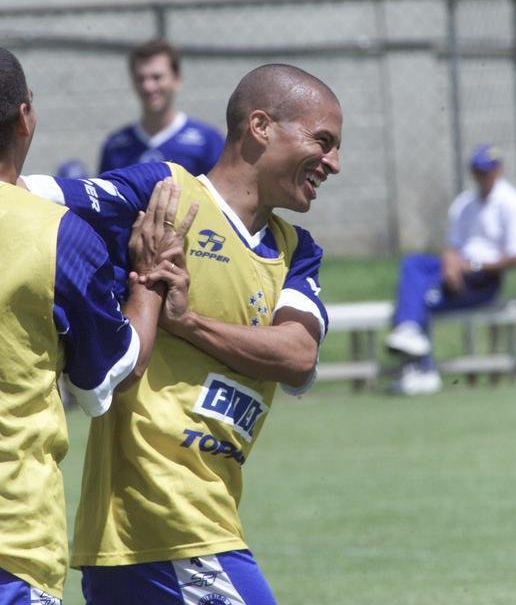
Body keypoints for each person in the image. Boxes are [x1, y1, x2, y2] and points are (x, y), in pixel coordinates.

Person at [24, 62, 342, 605]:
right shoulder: (164, 194)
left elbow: (298, 356)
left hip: (154, 536)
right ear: (260, 126)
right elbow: (32, 194)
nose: (334, 163)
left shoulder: (297, 251)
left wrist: (185, 321)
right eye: (323, 141)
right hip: (170, 524)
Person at [0, 46, 196, 604]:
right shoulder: (57, 235)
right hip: (12, 540)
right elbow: (103, 380)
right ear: (25, 116)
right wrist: (150, 278)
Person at [386, 143, 516, 396]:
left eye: (487, 171)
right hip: (456, 271)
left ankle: (423, 368)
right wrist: (451, 263)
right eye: (478, 171)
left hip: (484, 278)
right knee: (412, 263)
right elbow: (452, 245)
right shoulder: (465, 203)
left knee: (421, 297)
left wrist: (474, 265)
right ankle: (409, 333)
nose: (482, 176)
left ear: (498, 171)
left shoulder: (512, 203)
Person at [98, 38, 225, 175]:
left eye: (157, 77)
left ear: (177, 79)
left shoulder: (207, 141)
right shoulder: (116, 146)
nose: (148, 87)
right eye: (141, 79)